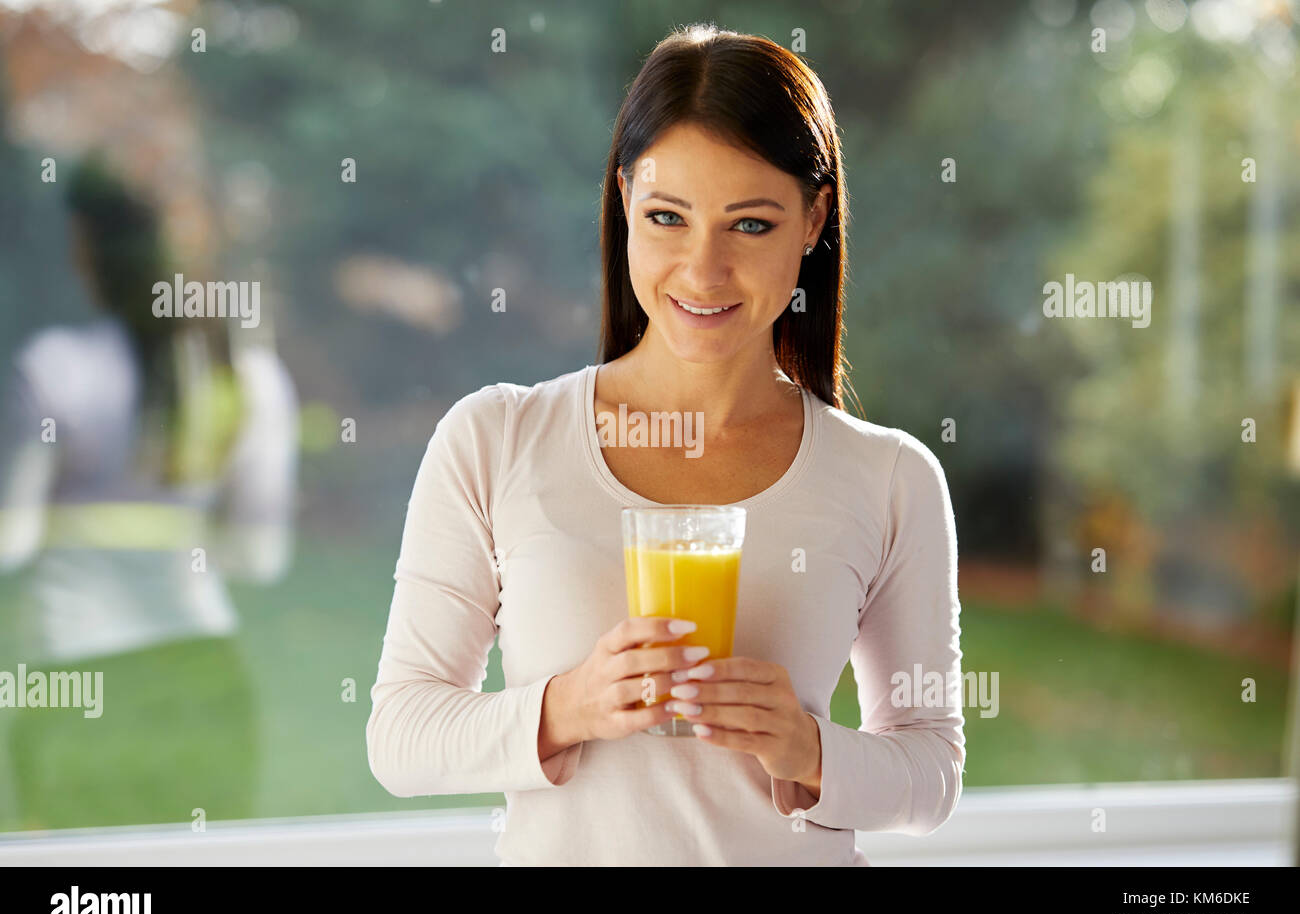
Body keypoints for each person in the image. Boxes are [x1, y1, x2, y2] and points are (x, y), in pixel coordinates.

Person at [366, 23, 964, 865]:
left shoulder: (891, 477)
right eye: (667, 217)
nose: (702, 270)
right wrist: (567, 708)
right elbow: (401, 734)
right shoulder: (495, 440)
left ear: (813, 218)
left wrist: (809, 749)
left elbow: (931, 769)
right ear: (623, 203)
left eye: (750, 225)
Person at [0, 153, 299, 830]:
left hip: (75, 678)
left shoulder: (52, 369)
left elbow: (9, 543)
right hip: (207, 683)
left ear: (84, 249)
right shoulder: (250, 379)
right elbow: (258, 560)